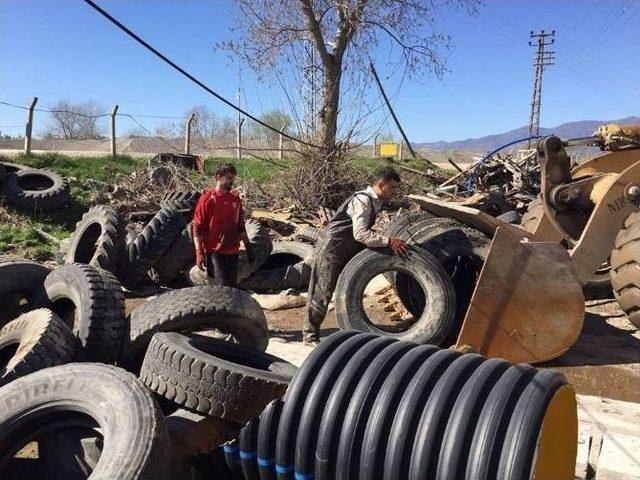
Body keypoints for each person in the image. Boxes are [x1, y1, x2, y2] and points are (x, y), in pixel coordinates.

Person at [303, 167, 408, 344]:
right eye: (392, 187)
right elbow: (360, 234)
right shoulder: (363, 200)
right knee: (323, 290)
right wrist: (388, 241)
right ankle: (309, 334)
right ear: (381, 185)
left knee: (344, 285)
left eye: (396, 188)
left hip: (347, 246)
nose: (395, 192)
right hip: (332, 247)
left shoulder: (377, 201)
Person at [192, 163, 254, 287]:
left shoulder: (235, 200)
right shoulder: (207, 200)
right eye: (229, 178)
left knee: (230, 289)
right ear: (218, 177)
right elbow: (197, 228)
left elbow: (240, 225)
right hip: (215, 253)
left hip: (232, 252)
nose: (232, 182)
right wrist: (199, 252)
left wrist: (248, 246)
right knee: (219, 290)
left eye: (233, 178)